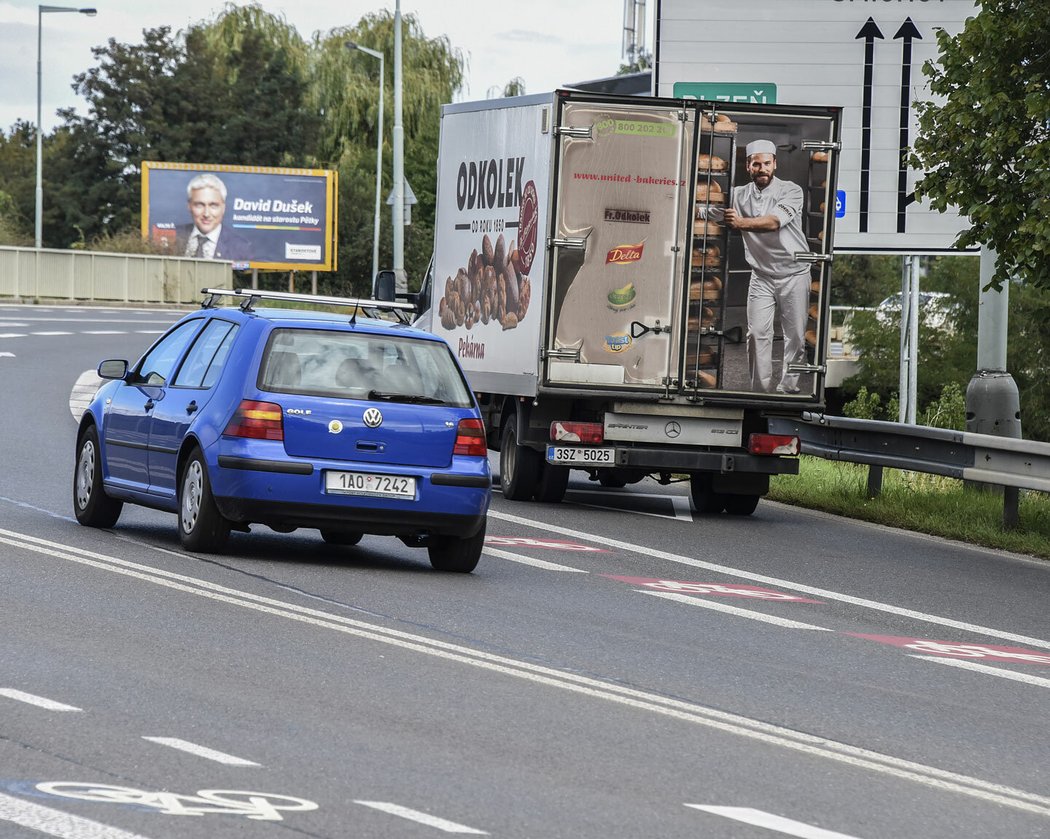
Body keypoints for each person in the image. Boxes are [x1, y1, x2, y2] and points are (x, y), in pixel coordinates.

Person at [723, 139, 811, 394]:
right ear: (748, 166)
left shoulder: (791, 191)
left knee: (794, 336)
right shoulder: (739, 195)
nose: (762, 168)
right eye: (756, 164)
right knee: (757, 334)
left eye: (767, 164)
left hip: (794, 273)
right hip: (761, 275)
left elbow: (774, 222)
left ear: (775, 164)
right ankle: (759, 391)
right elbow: (718, 212)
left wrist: (739, 224)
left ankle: (788, 388)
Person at [175, 173, 252, 262]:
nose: (206, 214)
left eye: (213, 205)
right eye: (199, 205)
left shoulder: (240, 247)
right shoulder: (172, 237)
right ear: (189, 206)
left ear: (223, 208)